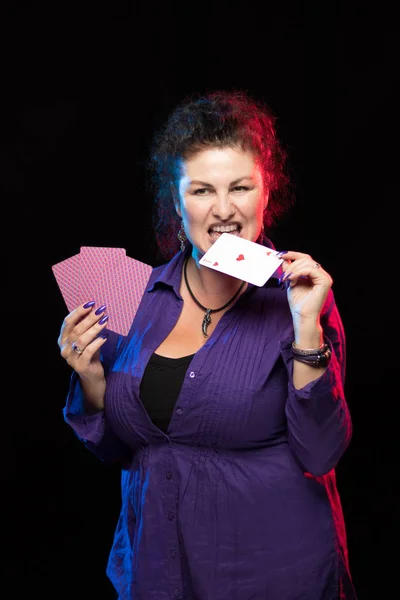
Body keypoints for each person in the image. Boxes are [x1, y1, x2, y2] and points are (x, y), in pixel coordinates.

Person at [58, 90, 358, 599]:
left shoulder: (302, 300)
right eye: (201, 191)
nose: (224, 210)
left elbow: (321, 451)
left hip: (274, 576)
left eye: (240, 187)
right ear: (176, 202)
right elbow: (118, 447)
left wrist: (307, 329)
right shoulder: (135, 293)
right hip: (157, 571)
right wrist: (90, 379)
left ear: (267, 194)